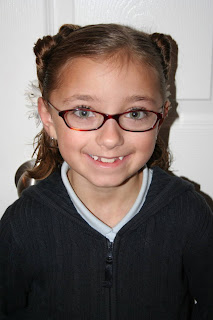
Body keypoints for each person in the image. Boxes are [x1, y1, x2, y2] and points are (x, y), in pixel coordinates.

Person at [0, 23, 213, 320]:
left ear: (161, 115)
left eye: (135, 113)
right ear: (48, 117)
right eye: (84, 111)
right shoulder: (22, 224)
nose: (111, 138)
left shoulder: (189, 212)